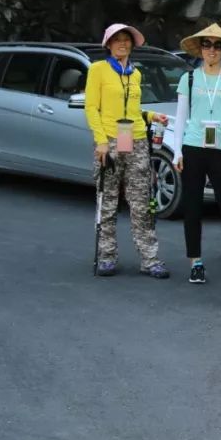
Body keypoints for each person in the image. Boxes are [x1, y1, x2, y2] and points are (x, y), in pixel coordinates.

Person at [85, 23, 169, 278]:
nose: (122, 43)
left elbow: (133, 110)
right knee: (108, 200)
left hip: (137, 139)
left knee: (141, 201)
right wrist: (100, 140)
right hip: (109, 139)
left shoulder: (136, 74)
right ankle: (107, 256)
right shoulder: (98, 70)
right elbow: (91, 108)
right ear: (108, 44)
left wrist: (152, 115)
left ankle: (149, 258)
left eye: (126, 40)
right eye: (117, 40)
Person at [172, 24, 221, 284]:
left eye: (218, 45)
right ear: (200, 48)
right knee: (192, 205)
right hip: (193, 146)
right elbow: (181, 117)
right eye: (207, 44)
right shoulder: (189, 78)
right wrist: (176, 151)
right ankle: (196, 261)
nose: (212, 50)